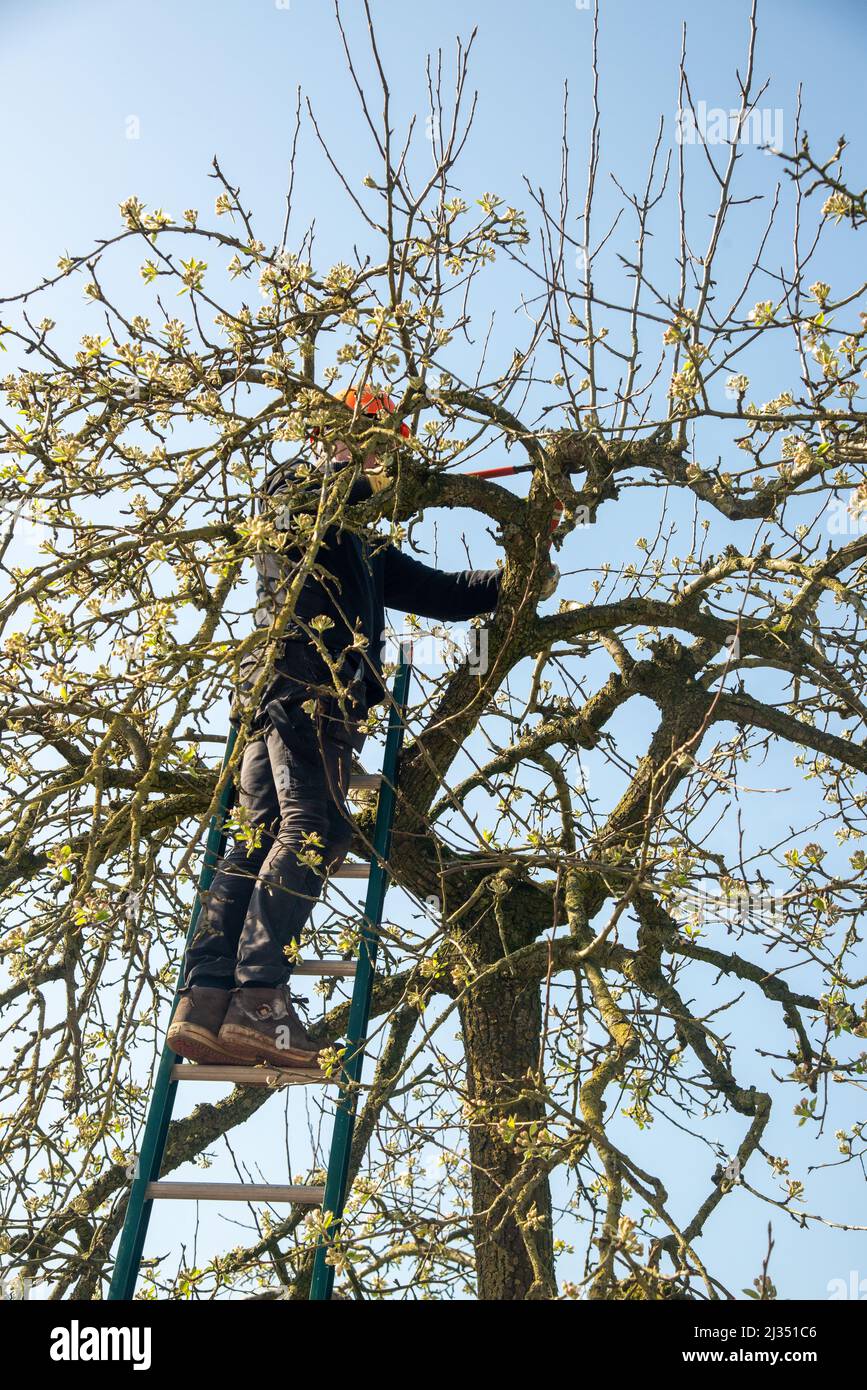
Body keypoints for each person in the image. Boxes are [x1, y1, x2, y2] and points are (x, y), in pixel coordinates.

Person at [168, 388, 508, 1069]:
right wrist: (366, 474)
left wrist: (527, 562)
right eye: (374, 444)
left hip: (277, 692)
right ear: (339, 441)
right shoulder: (296, 488)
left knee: (255, 836)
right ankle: (259, 999)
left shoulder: (366, 546)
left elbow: (449, 593)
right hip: (304, 683)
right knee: (314, 826)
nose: (384, 463)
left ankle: (206, 1003)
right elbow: (319, 500)